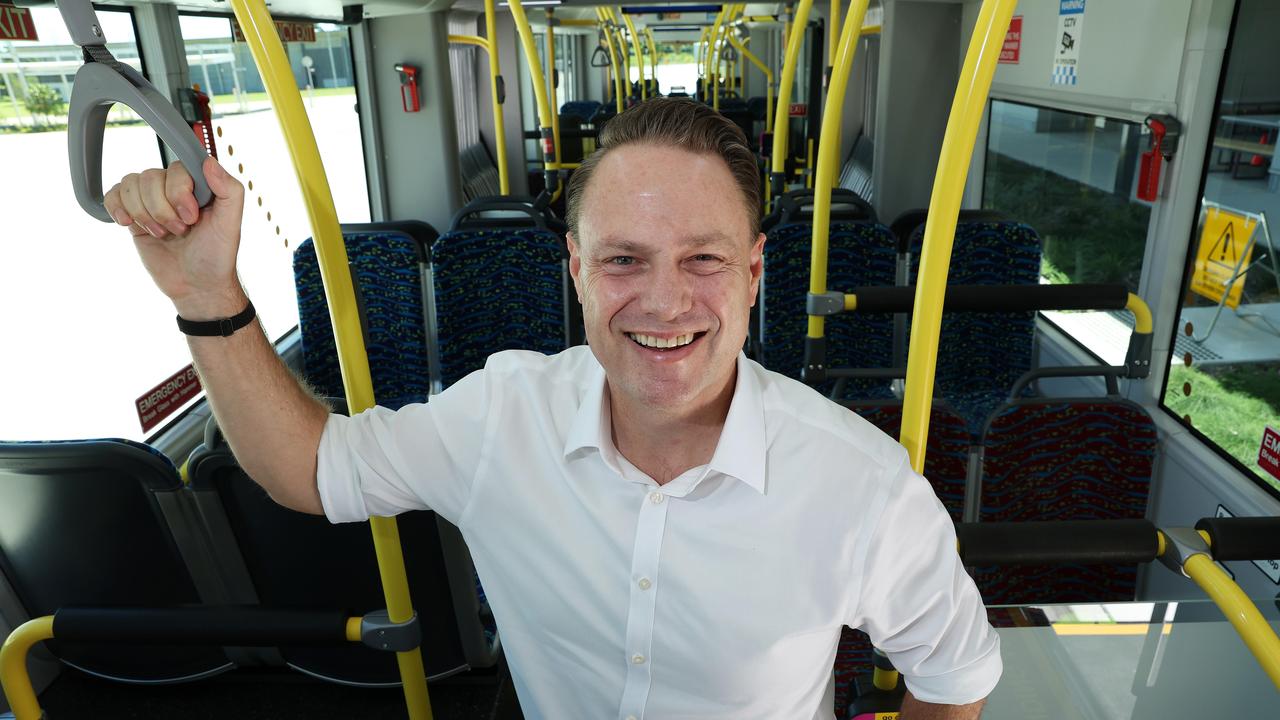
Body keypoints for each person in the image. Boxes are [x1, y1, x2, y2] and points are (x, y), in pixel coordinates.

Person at [105, 98, 1000, 719]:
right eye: (623, 261)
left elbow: (954, 674)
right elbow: (307, 469)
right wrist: (207, 294)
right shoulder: (501, 415)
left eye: (703, 260)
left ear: (755, 273)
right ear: (574, 270)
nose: (663, 301)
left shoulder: (860, 484)